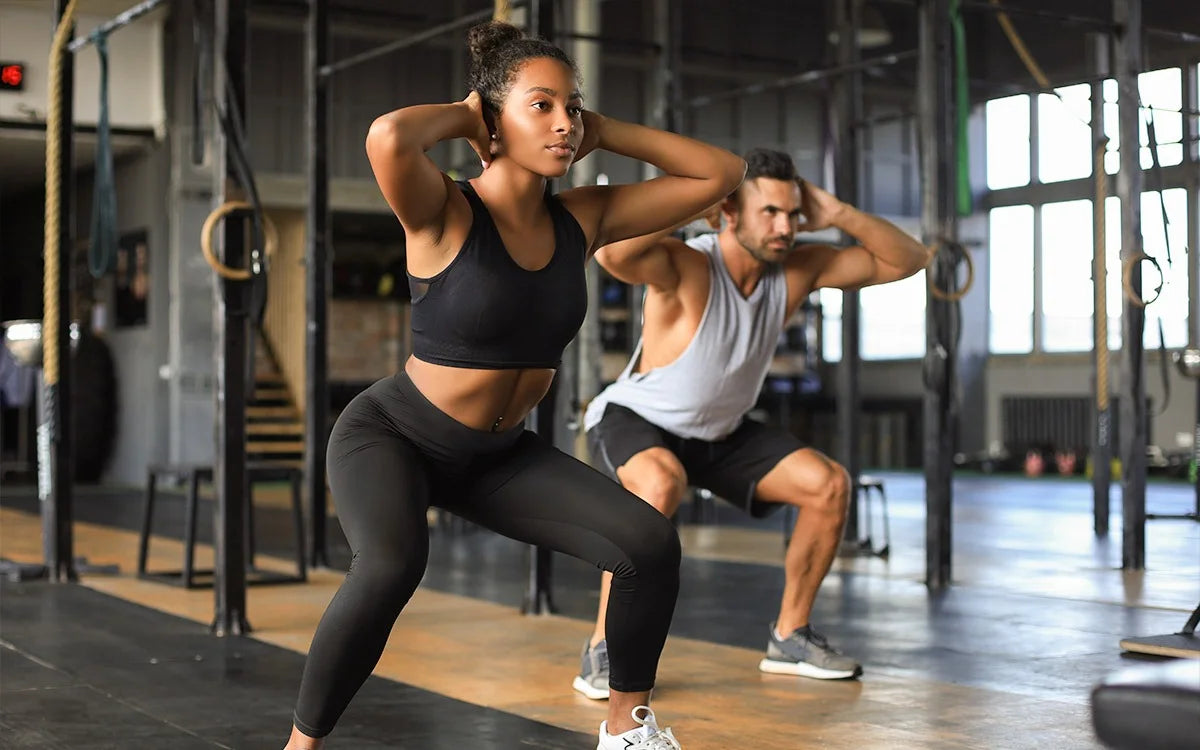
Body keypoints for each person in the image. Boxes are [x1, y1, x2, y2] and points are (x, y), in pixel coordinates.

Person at [282, 20, 745, 750]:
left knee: (648, 544)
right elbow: (388, 138)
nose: (563, 122)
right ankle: (301, 747)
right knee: (393, 566)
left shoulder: (581, 220)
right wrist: (471, 117)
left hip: (497, 457)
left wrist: (605, 130)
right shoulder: (445, 210)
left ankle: (626, 731)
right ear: (496, 116)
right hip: (395, 436)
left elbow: (720, 175)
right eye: (541, 106)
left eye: (573, 106)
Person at [572, 148, 931, 700]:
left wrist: (837, 215)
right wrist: (695, 203)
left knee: (828, 485)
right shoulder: (691, 264)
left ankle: (789, 636)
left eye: (793, 213)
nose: (785, 226)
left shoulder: (796, 271)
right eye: (770, 212)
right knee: (660, 482)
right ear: (730, 215)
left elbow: (907, 260)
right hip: (639, 418)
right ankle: (604, 646)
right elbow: (614, 255)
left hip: (720, 430)